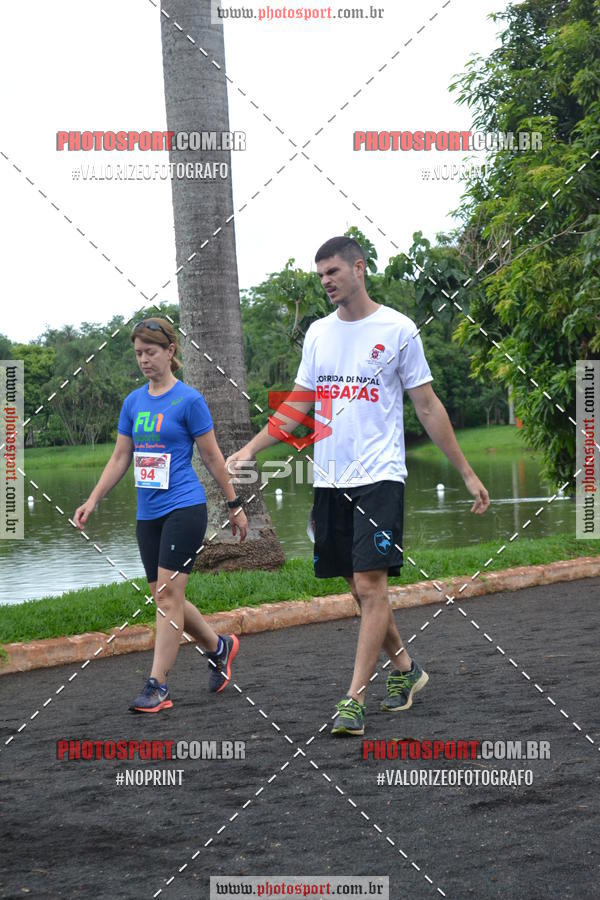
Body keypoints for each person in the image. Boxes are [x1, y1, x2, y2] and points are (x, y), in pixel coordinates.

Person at [227, 236, 490, 737]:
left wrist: (467, 472)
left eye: (333, 271)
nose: (326, 280)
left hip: (381, 477)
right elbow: (298, 405)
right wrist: (251, 448)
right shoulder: (318, 335)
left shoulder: (398, 329)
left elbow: (428, 406)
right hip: (329, 479)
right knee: (357, 586)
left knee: (372, 586)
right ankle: (407, 669)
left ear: (359, 268)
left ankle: (353, 699)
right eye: (320, 273)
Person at [74, 317, 248, 713]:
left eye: (150, 352)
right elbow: (121, 457)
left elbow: (212, 456)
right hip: (147, 512)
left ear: (171, 351)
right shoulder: (134, 402)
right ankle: (219, 647)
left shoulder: (189, 400)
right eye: (138, 354)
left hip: (184, 507)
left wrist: (234, 504)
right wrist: (94, 499)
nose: (144, 360)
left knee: (168, 595)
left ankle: (158, 686)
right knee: (163, 595)